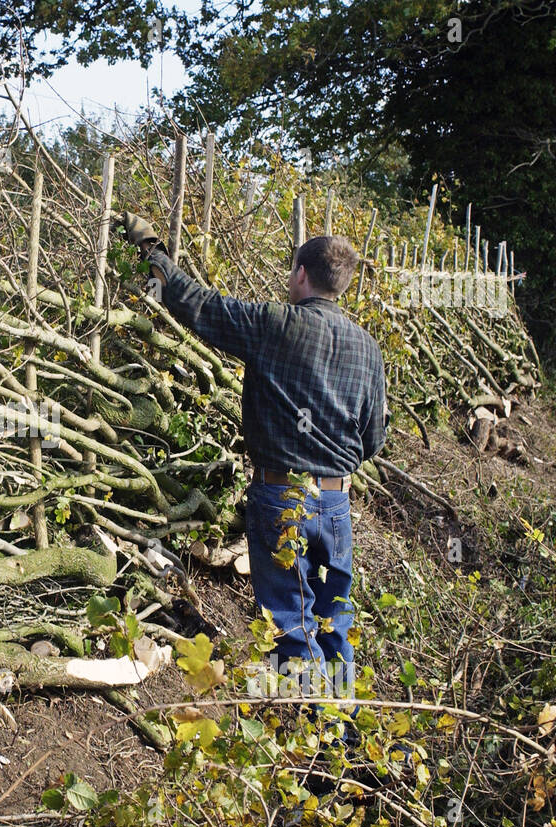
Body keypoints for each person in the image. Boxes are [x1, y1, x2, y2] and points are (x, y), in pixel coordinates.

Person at [115, 211, 389, 702]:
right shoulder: (369, 350)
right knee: (335, 624)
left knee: (291, 626)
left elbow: (199, 305)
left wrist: (151, 248)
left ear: (301, 274)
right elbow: (373, 439)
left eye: (291, 271)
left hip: (281, 495)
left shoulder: (273, 325)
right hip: (337, 504)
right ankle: (343, 739)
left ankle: (310, 747)